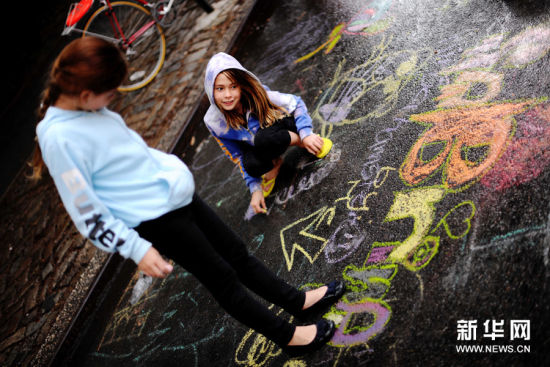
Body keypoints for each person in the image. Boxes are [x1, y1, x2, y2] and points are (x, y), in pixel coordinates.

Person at [30, 37, 345, 355]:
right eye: (111, 92)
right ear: (85, 94)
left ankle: (298, 302)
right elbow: (87, 213)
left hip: (178, 198)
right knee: (223, 279)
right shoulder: (59, 138)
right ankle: (289, 336)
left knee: (237, 254)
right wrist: (137, 249)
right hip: (157, 219)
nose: (114, 97)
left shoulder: (87, 110)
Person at [203, 52, 333, 214]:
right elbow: (238, 156)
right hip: (263, 145)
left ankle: (301, 141)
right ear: (210, 90)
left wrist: (306, 133)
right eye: (220, 89)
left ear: (242, 85)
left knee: (264, 138)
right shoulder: (213, 122)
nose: (228, 95)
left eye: (233, 86)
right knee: (251, 164)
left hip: (282, 128)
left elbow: (296, 103)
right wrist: (255, 188)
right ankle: (275, 163)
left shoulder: (257, 95)